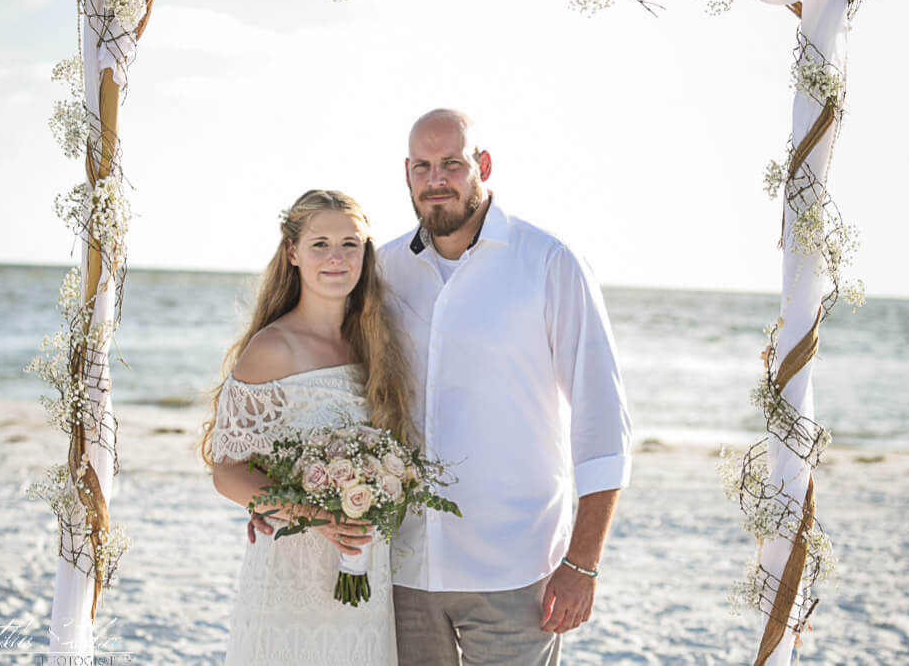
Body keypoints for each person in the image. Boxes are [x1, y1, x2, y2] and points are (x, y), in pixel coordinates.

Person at [250, 110, 632, 666]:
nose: (437, 180)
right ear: (407, 174)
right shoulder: (382, 271)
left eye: (452, 164)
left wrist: (583, 562)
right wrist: (278, 490)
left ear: (483, 166)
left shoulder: (550, 264)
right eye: (423, 166)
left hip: (514, 571)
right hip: (401, 567)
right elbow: (338, 390)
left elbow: (602, 421)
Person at [202, 189, 413, 666]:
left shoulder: (375, 346)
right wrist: (316, 519)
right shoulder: (273, 348)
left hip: (364, 565)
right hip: (293, 566)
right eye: (320, 244)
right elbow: (229, 470)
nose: (336, 258)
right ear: (293, 253)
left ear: (366, 252)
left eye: (350, 244)